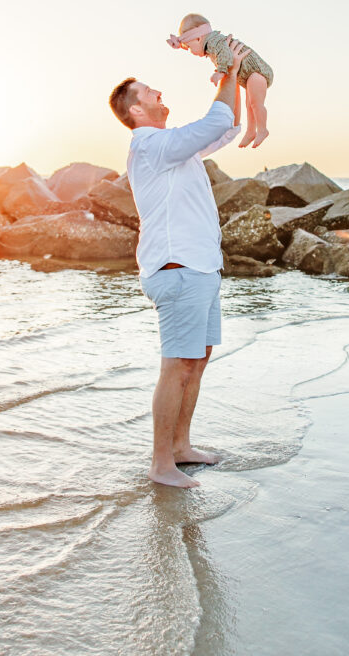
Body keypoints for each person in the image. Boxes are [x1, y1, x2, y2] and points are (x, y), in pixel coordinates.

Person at [108, 40, 250, 488]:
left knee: (198, 360)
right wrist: (229, 70)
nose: (159, 94)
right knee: (178, 365)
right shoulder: (151, 144)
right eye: (150, 93)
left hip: (200, 269)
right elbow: (216, 120)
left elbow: (226, 129)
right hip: (177, 270)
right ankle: (161, 464)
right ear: (136, 112)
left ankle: (182, 447)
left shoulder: (174, 148)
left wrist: (236, 79)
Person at [167, 13, 273, 148]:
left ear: (198, 38)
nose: (191, 51)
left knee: (255, 104)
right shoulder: (208, 44)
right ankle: (251, 132)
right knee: (250, 104)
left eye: (189, 47)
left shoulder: (214, 42)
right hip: (249, 76)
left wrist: (220, 71)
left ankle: (263, 130)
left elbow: (225, 54)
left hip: (257, 72)